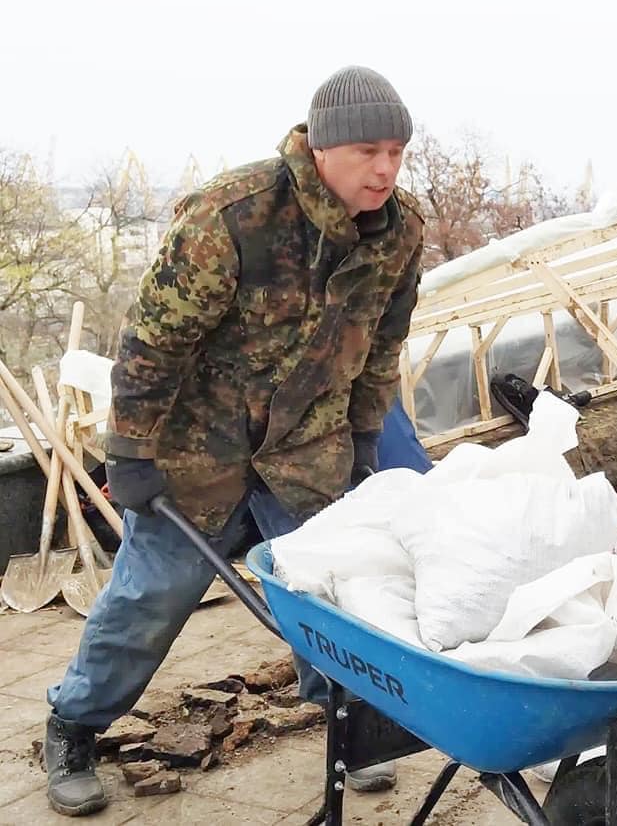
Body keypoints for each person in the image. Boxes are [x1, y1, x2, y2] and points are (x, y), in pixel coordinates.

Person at [43, 66, 425, 816]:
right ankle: (73, 726)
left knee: (331, 597)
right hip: (199, 453)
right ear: (323, 148)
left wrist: (365, 432)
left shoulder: (400, 232)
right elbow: (155, 339)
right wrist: (130, 448)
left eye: (398, 152)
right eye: (369, 152)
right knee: (150, 598)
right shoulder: (233, 215)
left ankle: (350, 734)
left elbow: (383, 341)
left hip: (306, 450)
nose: (385, 169)